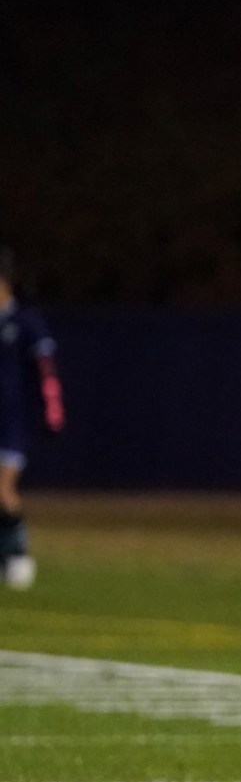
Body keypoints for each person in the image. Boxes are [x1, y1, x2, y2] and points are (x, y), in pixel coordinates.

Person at [0, 247, 64, 590]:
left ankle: (17, 554)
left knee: (2, 489)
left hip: (12, 422)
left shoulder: (25, 322)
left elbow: (46, 369)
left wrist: (53, 408)